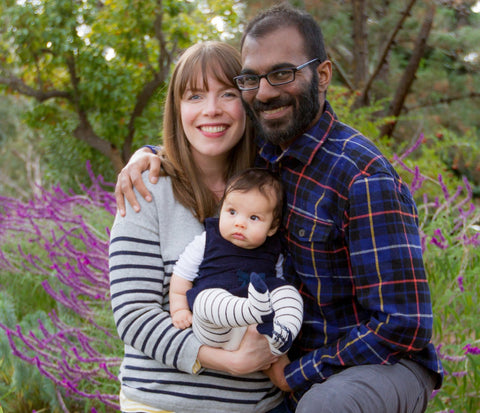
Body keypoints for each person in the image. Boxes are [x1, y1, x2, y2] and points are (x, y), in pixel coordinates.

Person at [115, 3, 444, 413]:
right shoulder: (263, 161)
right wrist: (149, 155)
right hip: (272, 378)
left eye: (283, 73)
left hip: (371, 366)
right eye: (252, 79)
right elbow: (207, 131)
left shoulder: (360, 175)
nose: (266, 91)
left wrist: (297, 373)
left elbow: (403, 325)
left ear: (322, 75)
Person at [109, 41, 288, 413]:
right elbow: (134, 315)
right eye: (194, 96)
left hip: (260, 406)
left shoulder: (274, 188)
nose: (211, 110)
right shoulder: (147, 187)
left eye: (227, 93)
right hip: (162, 404)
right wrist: (230, 361)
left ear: (248, 102)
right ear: (177, 109)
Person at [170, 168, 303, 355]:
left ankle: (282, 334)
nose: (240, 223)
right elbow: (182, 274)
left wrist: (278, 305)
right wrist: (179, 309)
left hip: (256, 332)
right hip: (217, 329)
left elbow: (278, 284)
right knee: (206, 299)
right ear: (222, 208)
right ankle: (251, 310)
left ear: (272, 227)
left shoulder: (274, 249)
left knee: (288, 293)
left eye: (254, 217)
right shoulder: (208, 240)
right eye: (232, 212)